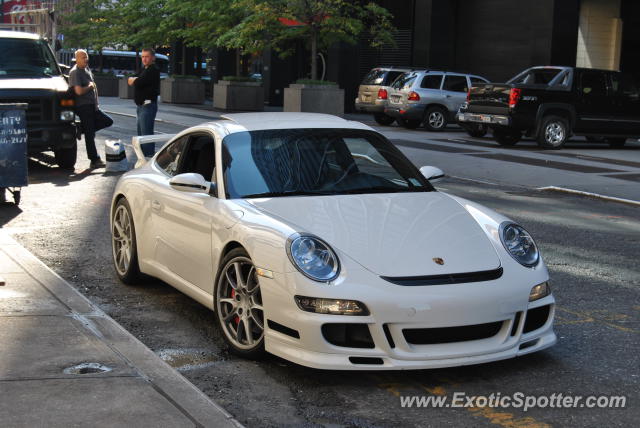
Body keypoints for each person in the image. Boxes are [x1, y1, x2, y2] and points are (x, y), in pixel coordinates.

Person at [68, 49, 106, 169]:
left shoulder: (86, 69)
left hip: (92, 106)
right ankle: (94, 159)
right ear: (77, 59)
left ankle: (82, 128)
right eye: (83, 57)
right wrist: (89, 87)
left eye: (86, 57)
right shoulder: (75, 72)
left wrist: (96, 103)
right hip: (83, 106)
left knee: (107, 121)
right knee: (90, 134)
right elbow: (78, 91)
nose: (86, 59)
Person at [128, 48, 160, 156]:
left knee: (146, 136)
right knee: (141, 135)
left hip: (148, 105)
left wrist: (135, 80)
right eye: (142, 57)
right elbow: (131, 79)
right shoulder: (143, 69)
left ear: (153, 58)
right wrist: (134, 80)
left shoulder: (153, 70)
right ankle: (142, 158)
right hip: (141, 106)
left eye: (147, 56)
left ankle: (148, 158)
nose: (144, 59)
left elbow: (139, 81)